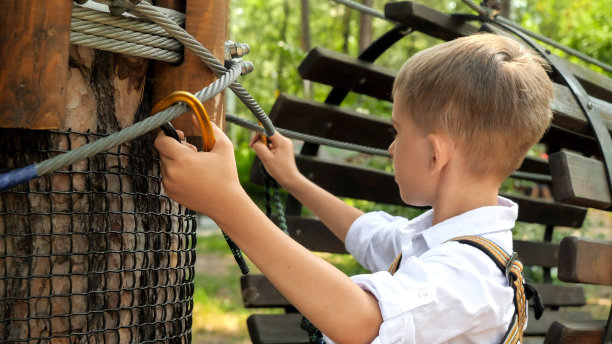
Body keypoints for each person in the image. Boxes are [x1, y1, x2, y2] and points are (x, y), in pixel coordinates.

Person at [154, 33, 553, 343]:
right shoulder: (446, 241)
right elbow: (365, 232)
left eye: (397, 131)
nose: (392, 147)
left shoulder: (470, 277)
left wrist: (227, 203)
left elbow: (362, 320)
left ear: (435, 156)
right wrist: (293, 180)